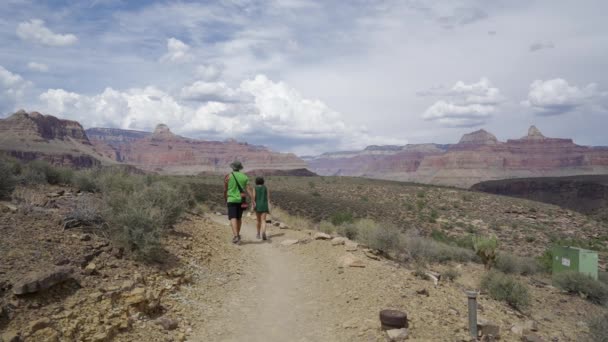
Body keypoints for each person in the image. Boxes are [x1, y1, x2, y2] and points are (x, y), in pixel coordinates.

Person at [223, 161, 254, 244]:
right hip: (242, 200)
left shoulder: (228, 176)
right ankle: (237, 235)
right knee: (239, 218)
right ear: (240, 168)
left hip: (231, 199)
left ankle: (236, 236)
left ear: (232, 167)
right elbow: (248, 189)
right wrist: (253, 200)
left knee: (233, 217)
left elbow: (225, 189)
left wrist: (225, 198)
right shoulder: (244, 177)